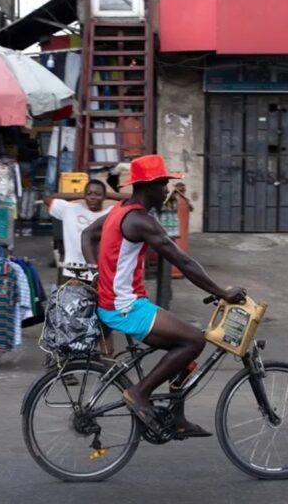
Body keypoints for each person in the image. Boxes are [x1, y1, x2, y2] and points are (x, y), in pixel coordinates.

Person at [82, 155, 246, 438]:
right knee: (194, 340)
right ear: (149, 186)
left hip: (119, 303)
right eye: (163, 184)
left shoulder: (121, 210)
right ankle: (139, 392)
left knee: (183, 350)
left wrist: (95, 272)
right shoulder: (140, 220)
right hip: (125, 307)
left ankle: (178, 419)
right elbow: (184, 263)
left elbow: (87, 234)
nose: (167, 189)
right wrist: (222, 292)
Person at [45, 179, 127, 360]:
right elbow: (48, 197)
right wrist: (80, 195)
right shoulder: (69, 209)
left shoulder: (110, 213)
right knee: (69, 319)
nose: (92, 197)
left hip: (100, 274)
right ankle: (66, 363)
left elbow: (131, 199)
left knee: (104, 316)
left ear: (104, 196)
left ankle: (108, 360)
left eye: (97, 194)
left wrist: (108, 195)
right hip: (72, 274)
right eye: (89, 193)